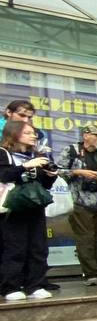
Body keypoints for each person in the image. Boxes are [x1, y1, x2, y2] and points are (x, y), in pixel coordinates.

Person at [54, 123, 97, 286]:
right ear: (86, 136)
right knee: (85, 239)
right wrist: (78, 172)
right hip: (81, 202)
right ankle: (91, 274)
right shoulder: (72, 151)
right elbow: (56, 172)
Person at [0, 120, 57, 300]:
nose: (33, 136)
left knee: (38, 247)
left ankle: (35, 285)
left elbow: (43, 185)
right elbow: (4, 175)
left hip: (34, 205)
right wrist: (25, 166)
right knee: (14, 247)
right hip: (12, 206)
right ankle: (10, 286)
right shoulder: (4, 153)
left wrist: (50, 176)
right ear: (14, 134)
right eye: (28, 132)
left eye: (33, 133)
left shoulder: (36, 155)